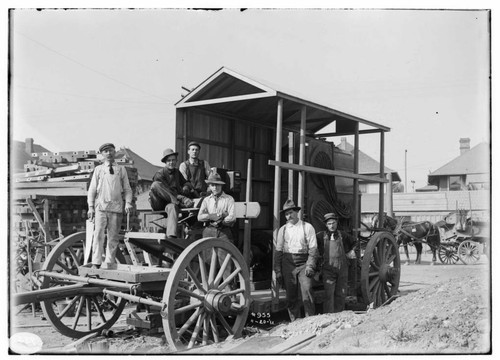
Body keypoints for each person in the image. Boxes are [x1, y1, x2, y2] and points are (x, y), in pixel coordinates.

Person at [87, 143, 133, 269]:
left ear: (114, 152)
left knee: (113, 236)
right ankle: (96, 263)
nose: (109, 153)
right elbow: (92, 190)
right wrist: (90, 207)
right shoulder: (99, 170)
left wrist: (128, 202)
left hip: (116, 207)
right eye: (106, 151)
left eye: (111, 151)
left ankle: (109, 263)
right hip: (101, 207)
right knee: (98, 234)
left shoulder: (121, 170)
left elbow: (127, 189)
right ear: (102, 154)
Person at [274, 199, 319, 321]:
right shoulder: (282, 230)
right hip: (288, 263)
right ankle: (295, 321)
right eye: (287, 214)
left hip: (304, 262)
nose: (289, 216)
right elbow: (278, 252)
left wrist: (310, 265)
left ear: (297, 213)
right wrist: (278, 270)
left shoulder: (307, 227)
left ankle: (311, 320)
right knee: (291, 294)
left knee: (307, 290)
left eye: (291, 213)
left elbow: (313, 249)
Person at [197, 173, 236, 279]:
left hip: (224, 231)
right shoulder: (206, 200)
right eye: (212, 185)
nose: (215, 187)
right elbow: (199, 217)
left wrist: (221, 219)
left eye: (217, 185)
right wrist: (213, 216)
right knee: (207, 260)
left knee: (226, 262)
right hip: (209, 231)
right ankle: (209, 290)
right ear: (209, 186)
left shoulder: (229, 199)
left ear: (221, 186)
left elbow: (232, 217)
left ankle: (228, 291)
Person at [149, 148, 194, 238]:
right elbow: (167, 191)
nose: (171, 162)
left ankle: (171, 237)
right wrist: (182, 198)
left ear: (176, 161)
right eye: (169, 160)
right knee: (155, 185)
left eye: (173, 160)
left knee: (173, 207)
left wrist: (186, 186)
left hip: (171, 203)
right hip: (159, 202)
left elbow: (187, 182)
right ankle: (179, 203)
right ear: (165, 162)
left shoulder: (177, 172)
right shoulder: (159, 174)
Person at [316, 212, 357, 313]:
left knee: (341, 294)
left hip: (342, 269)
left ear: (337, 223)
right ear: (326, 225)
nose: (332, 225)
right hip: (328, 270)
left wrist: (352, 251)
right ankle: (328, 315)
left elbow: (355, 242)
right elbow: (313, 247)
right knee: (329, 294)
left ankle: (339, 315)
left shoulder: (342, 235)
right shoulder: (321, 236)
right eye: (329, 224)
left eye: (333, 223)